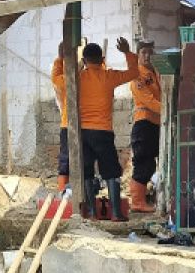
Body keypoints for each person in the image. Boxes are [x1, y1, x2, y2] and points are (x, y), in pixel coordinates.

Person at [53, 37, 138, 220]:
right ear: (102, 59)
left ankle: (91, 212)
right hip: (103, 132)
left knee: (87, 171)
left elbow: (57, 81)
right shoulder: (109, 76)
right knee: (111, 171)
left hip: (81, 132)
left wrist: (60, 59)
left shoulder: (76, 78)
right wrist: (127, 52)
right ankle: (116, 213)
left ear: (84, 61)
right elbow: (134, 72)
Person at [128, 39, 161, 213]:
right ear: (138, 54)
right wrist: (168, 111)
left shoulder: (153, 72)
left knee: (150, 163)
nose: (147, 56)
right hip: (144, 122)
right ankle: (137, 202)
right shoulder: (136, 75)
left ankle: (141, 199)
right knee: (143, 162)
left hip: (154, 123)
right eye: (144, 52)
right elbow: (148, 100)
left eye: (150, 52)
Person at [50, 44, 70, 192]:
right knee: (65, 158)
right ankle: (63, 188)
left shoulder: (80, 73)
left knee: (71, 158)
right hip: (68, 123)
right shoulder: (63, 78)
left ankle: (67, 188)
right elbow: (55, 78)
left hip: (79, 124)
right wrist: (60, 59)